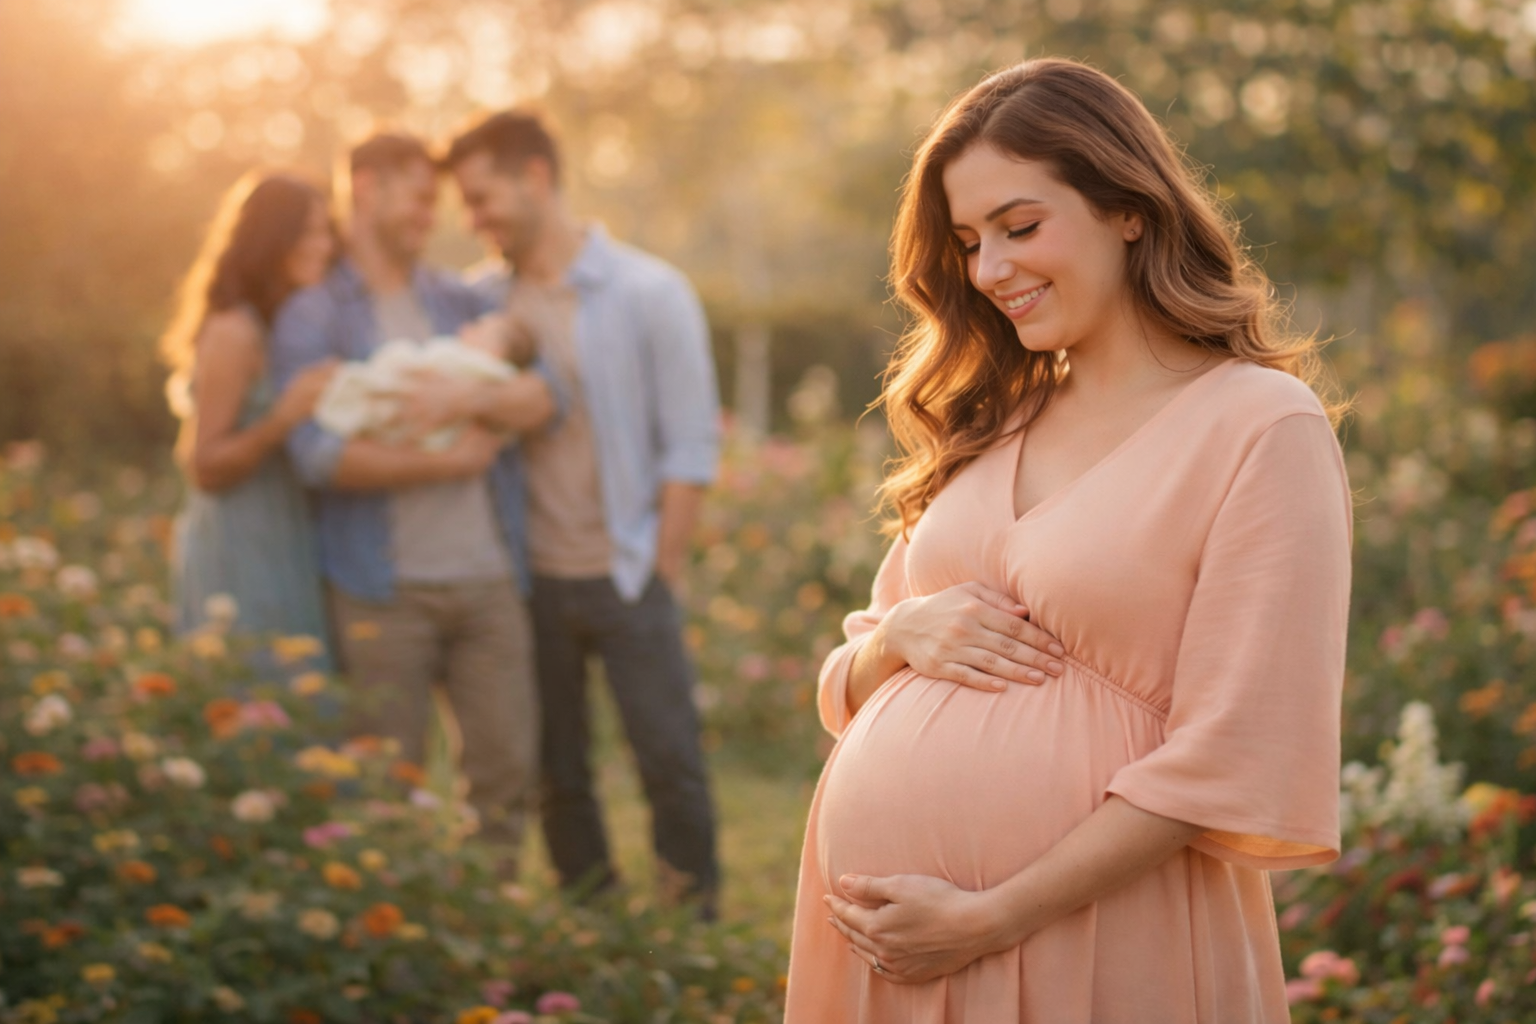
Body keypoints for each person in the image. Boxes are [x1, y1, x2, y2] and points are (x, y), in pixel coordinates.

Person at [785, 58, 1354, 1023]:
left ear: (1127, 207)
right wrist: (895, 640)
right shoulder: (994, 419)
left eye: (1020, 225)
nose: (989, 269)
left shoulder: (1260, 425)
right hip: (887, 954)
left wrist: (990, 916)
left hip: (1095, 934)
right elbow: (847, 679)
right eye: (968, 241)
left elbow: (1238, 749)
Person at [443, 111, 723, 912]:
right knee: (555, 769)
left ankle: (691, 916)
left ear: (536, 176)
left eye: (483, 197)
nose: (474, 219)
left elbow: (690, 448)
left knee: (668, 756)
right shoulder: (478, 304)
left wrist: (660, 570)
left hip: (628, 570)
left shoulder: (650, 291)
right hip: (528, 579)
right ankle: (591, 913)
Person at [269, 132, 561, 871]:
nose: (432, 216)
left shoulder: (460, 298)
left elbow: (544, 397)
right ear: (365, 188)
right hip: (379, 589)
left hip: (488, 579)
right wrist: (445, 460)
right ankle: (398, 962)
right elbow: (316, 454)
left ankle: (480, 938)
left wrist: (467, 394)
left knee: (502, 776)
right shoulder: (314, 313)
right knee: (383, 789)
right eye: (420, 197)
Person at [164, 171, 339, 656]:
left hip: (283, 532)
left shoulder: (278, 323)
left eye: (326, 232)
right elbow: (204, 465)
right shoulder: (233, 330)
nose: (323, 246)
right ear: (272, 240)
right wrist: (283, 420)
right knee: (258, 697)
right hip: (239, 541)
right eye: (308, 233)